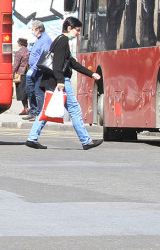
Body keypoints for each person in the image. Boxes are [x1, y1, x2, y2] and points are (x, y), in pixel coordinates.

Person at [25, 16, 103, 150]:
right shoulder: (63, 41)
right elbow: (58, 63)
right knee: (75, 109)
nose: (78, 33)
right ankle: (86, 141)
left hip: (53, 80)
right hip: (60, 81)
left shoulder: (60, 40)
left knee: (46, 109)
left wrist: (91, 74)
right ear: (69, 28)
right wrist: (60, 81)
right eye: (77, 30)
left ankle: (32, 138)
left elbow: (71, 63)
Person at [23, 19, 52, 121]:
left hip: (39, 70)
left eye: (33, 29)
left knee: (38, 92)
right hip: (32, 69)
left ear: (38, 29)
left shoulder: (46, 40)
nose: (32, 31)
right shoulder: (38, 39)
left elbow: (43, 56)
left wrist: (34, 68)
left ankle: (39, 113)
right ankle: (33, 111)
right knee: (29, 91)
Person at [11, 37, 30, 114]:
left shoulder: (19, 52)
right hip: (28, 73)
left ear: (19, 44)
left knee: (22, 92)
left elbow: (16, 65)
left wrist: (12, 73)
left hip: (21, 74)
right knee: (28, 92)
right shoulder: (28, 51)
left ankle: (25, 108)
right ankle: (29, 108)